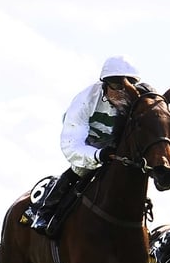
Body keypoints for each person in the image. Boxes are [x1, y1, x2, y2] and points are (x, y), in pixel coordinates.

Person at [40, 55, 145, 237]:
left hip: (117, 145)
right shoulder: (85, 101)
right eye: (116, 84)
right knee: (80, 170)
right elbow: (71, 146)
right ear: (105, 83)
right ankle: (45, 212)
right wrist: (98, 155)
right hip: (88, 144)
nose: (122, 91)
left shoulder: (141, 97)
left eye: (128, 85)